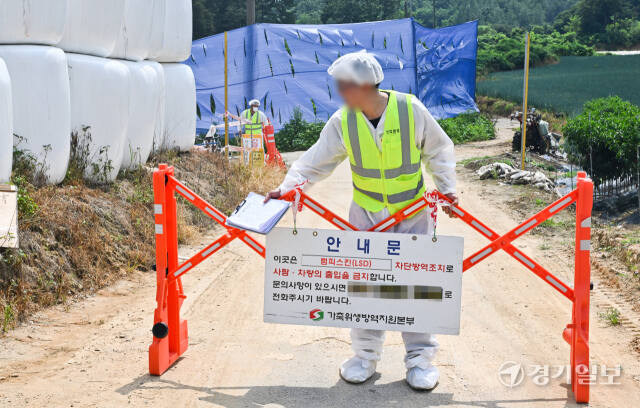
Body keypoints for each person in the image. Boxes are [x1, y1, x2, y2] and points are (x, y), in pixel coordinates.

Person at [265, 51, 458, 390]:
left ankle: (419, 359)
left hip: (410, 214)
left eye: (345, 86)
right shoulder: (344, 121)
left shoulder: (411, 110)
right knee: (365, 288)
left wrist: (448, 190)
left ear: (366, 85)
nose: (340, 93)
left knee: (416, 290)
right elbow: (314, 162)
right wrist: (287, 189)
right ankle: (365, 356)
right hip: (366, 216)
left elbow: (439, 150)